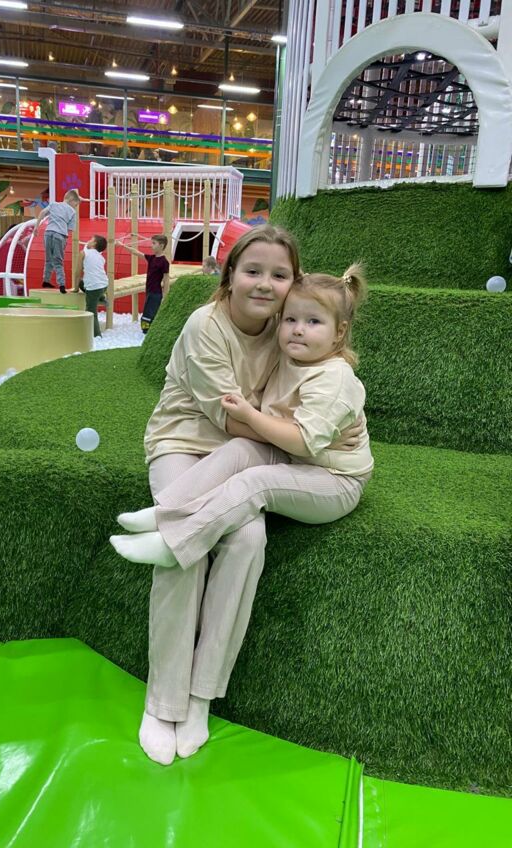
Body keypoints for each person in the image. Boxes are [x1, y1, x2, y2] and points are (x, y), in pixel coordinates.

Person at [104, 224, 361, 768]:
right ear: (229, 276)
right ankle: (163, 703)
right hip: (186, 444)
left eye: (279, 274)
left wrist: (321, 435)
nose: (265, 284)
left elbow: (317, 400)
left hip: (253, 452)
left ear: (293, 284)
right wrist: (294, 438)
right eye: (253, 271)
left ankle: (200, 696)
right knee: (187, 554)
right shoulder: (206, 325)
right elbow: (232, 419)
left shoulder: (290, 329)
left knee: (246, 540)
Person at [112, 264, 373, 570]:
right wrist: (290, 275)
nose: (298, 329)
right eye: (290, 319)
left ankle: (175, 543)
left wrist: (249, 414)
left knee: (256, 481)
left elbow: (302, 441)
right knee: (239, 449)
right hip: (299, 461)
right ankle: (166, 512)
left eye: (313, 322)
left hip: (335, 481)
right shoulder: (294, 356)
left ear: (339, 332)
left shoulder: (333, 377)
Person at [34, 188, 83, 294]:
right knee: (58, 261)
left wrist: (36, 227)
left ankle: (46, 280)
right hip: (60, 235)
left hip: (48, 233)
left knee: (48, 259)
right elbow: (70, 229)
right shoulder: (72, 211)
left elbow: (42, 212)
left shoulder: (53, 204)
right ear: (72, 200)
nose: (75, 207)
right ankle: (62, 285)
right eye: (75, 204)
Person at [117, 234, 169, 333]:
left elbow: (166, 279)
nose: (151, 245)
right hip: (149, 290)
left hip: (156, 292)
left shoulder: (164, 262)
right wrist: (122, 245)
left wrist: (165, 295)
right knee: (149, 311)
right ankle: (148, 330)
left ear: (161, 245)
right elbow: (136, 252)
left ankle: (147, 331)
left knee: (149, 312)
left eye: (154, 243)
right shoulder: (151, 258)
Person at [75, 234, 108, 338]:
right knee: (83, 282)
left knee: (91, 312)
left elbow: (77, 272)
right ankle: (101, 298)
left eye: (90, 239)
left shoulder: (83, 253)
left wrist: (75, 288)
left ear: (94, 244)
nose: (88, 241)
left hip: (94, 288)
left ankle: (97, 336)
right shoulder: (101, 257)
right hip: (104, 285)